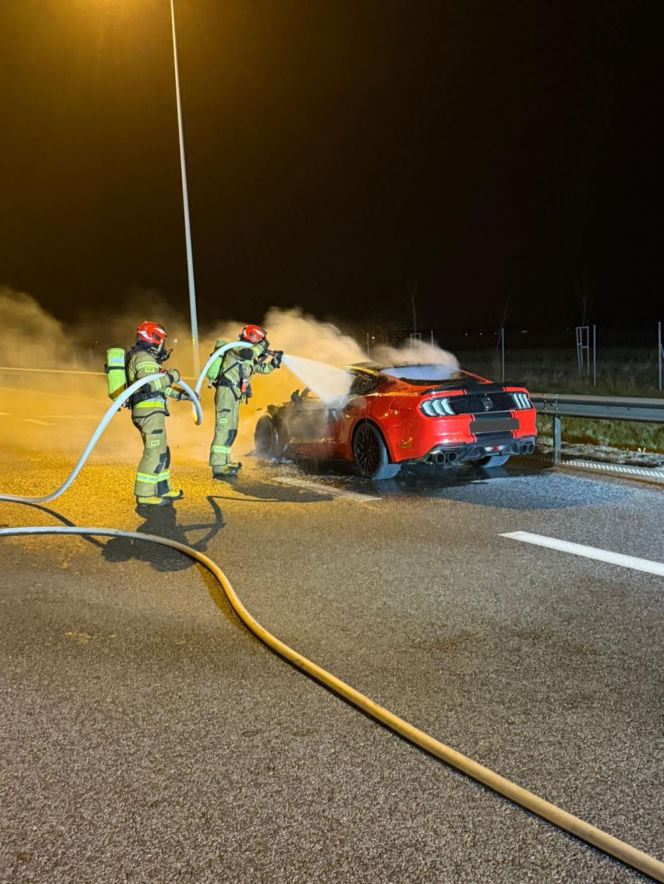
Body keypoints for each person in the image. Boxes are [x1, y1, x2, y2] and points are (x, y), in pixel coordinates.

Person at [206, 324, 282, 478]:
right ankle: (218, 466)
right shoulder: (237, 348)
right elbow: (248, 354)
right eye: (259, 339)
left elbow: (261, 369)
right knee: (223, 429)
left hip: (234, 395)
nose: (260, 342)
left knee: (231, 430)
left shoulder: (248, 355)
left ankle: (225, 462)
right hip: (226, 392)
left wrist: (274, 362)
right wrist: (263, 345)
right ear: (252, 337)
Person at [126, 321, 186, 507]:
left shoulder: (148, 359)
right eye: (162, 340)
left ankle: (162, 488)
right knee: (153, 453)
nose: (163, 345)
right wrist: (172, 377)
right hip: (148, 412)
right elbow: (149, 386)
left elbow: (160, 388)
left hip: (153, 412)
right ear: (155, 338)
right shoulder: (144, 358)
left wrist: (184, 396)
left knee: (162, 452)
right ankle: (144, 495)